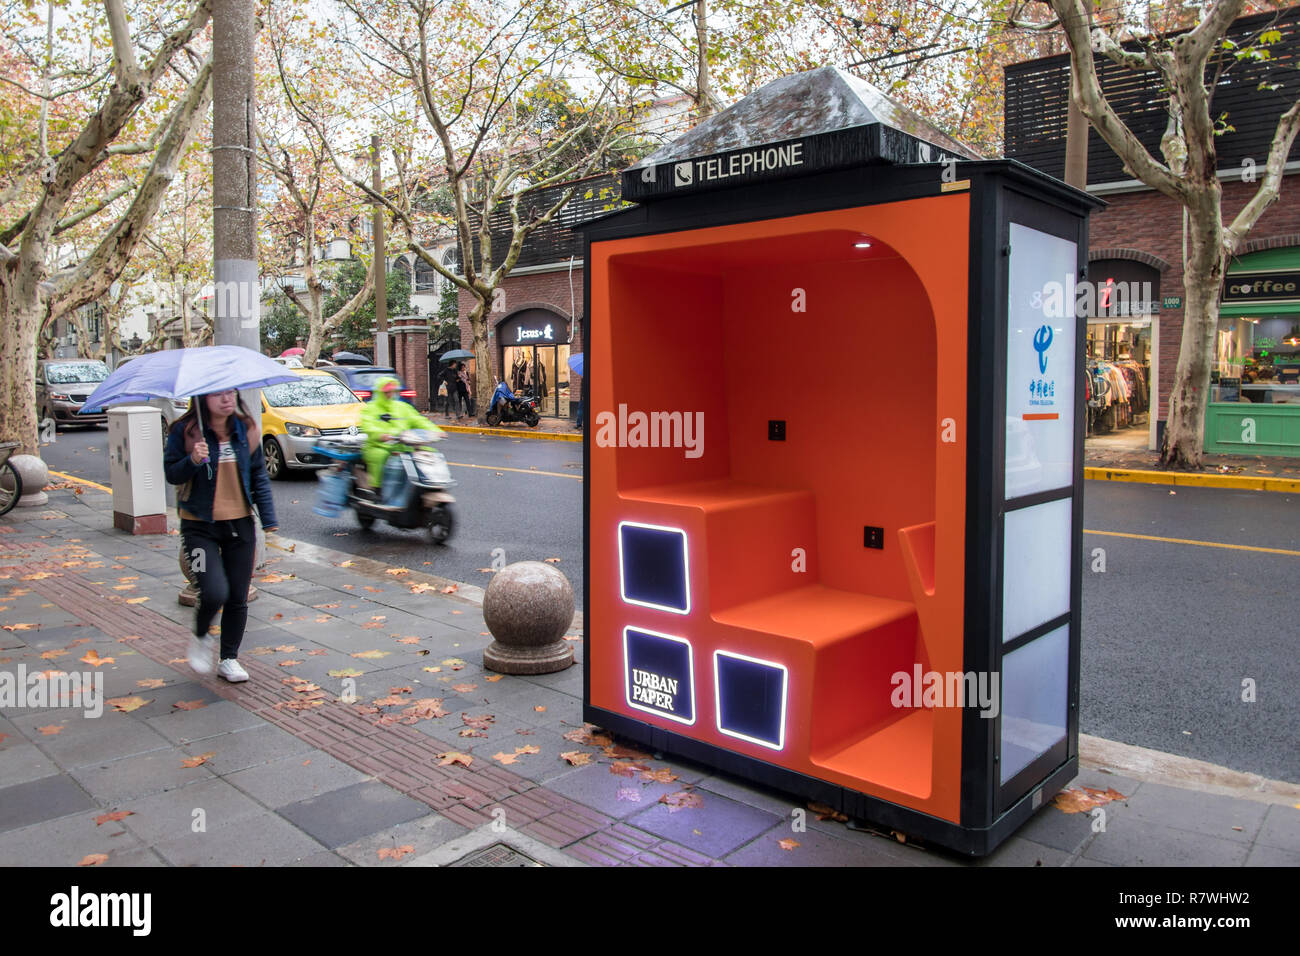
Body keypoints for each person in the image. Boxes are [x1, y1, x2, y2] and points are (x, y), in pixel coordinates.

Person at [163, 389, 278, 683]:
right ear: (202, 398)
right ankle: (201, 634)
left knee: (238, 596)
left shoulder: (246, 428)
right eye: (218, 394)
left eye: (231, 393)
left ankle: (229, 659)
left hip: (239, 526)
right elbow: (172, 474)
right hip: (199, 527)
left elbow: (258, 475)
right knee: (214, 592)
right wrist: (192, 460)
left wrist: (269, 519)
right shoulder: (185, 430)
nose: (226, 399)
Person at [358, 375, 441, 488]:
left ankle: (426, 485)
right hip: (378, 446)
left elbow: (419, 420)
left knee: (428, 453)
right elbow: (368, 425)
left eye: (391, 392)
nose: (389, 394)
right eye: (386, 392)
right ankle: (377, 488)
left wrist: (435, 431)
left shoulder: (402, 407)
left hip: (404, 446)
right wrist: (381, 435)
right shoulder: (371, 408)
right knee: (380, 456)